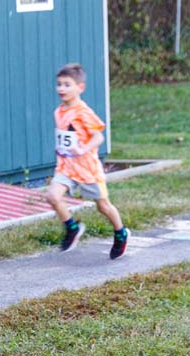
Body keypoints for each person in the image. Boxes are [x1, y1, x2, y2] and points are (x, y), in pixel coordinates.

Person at [46, 63, 129, 259]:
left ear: (80, 88)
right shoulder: (58, 111)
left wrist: (82, 148)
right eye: (59, 84)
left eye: (67, 85)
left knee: (103, 206)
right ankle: (72, 228)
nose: (61, 89)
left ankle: (121, 233)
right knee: (52, 196)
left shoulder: (83, 112)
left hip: (87, 169)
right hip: (66, 167)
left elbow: (98, 137)